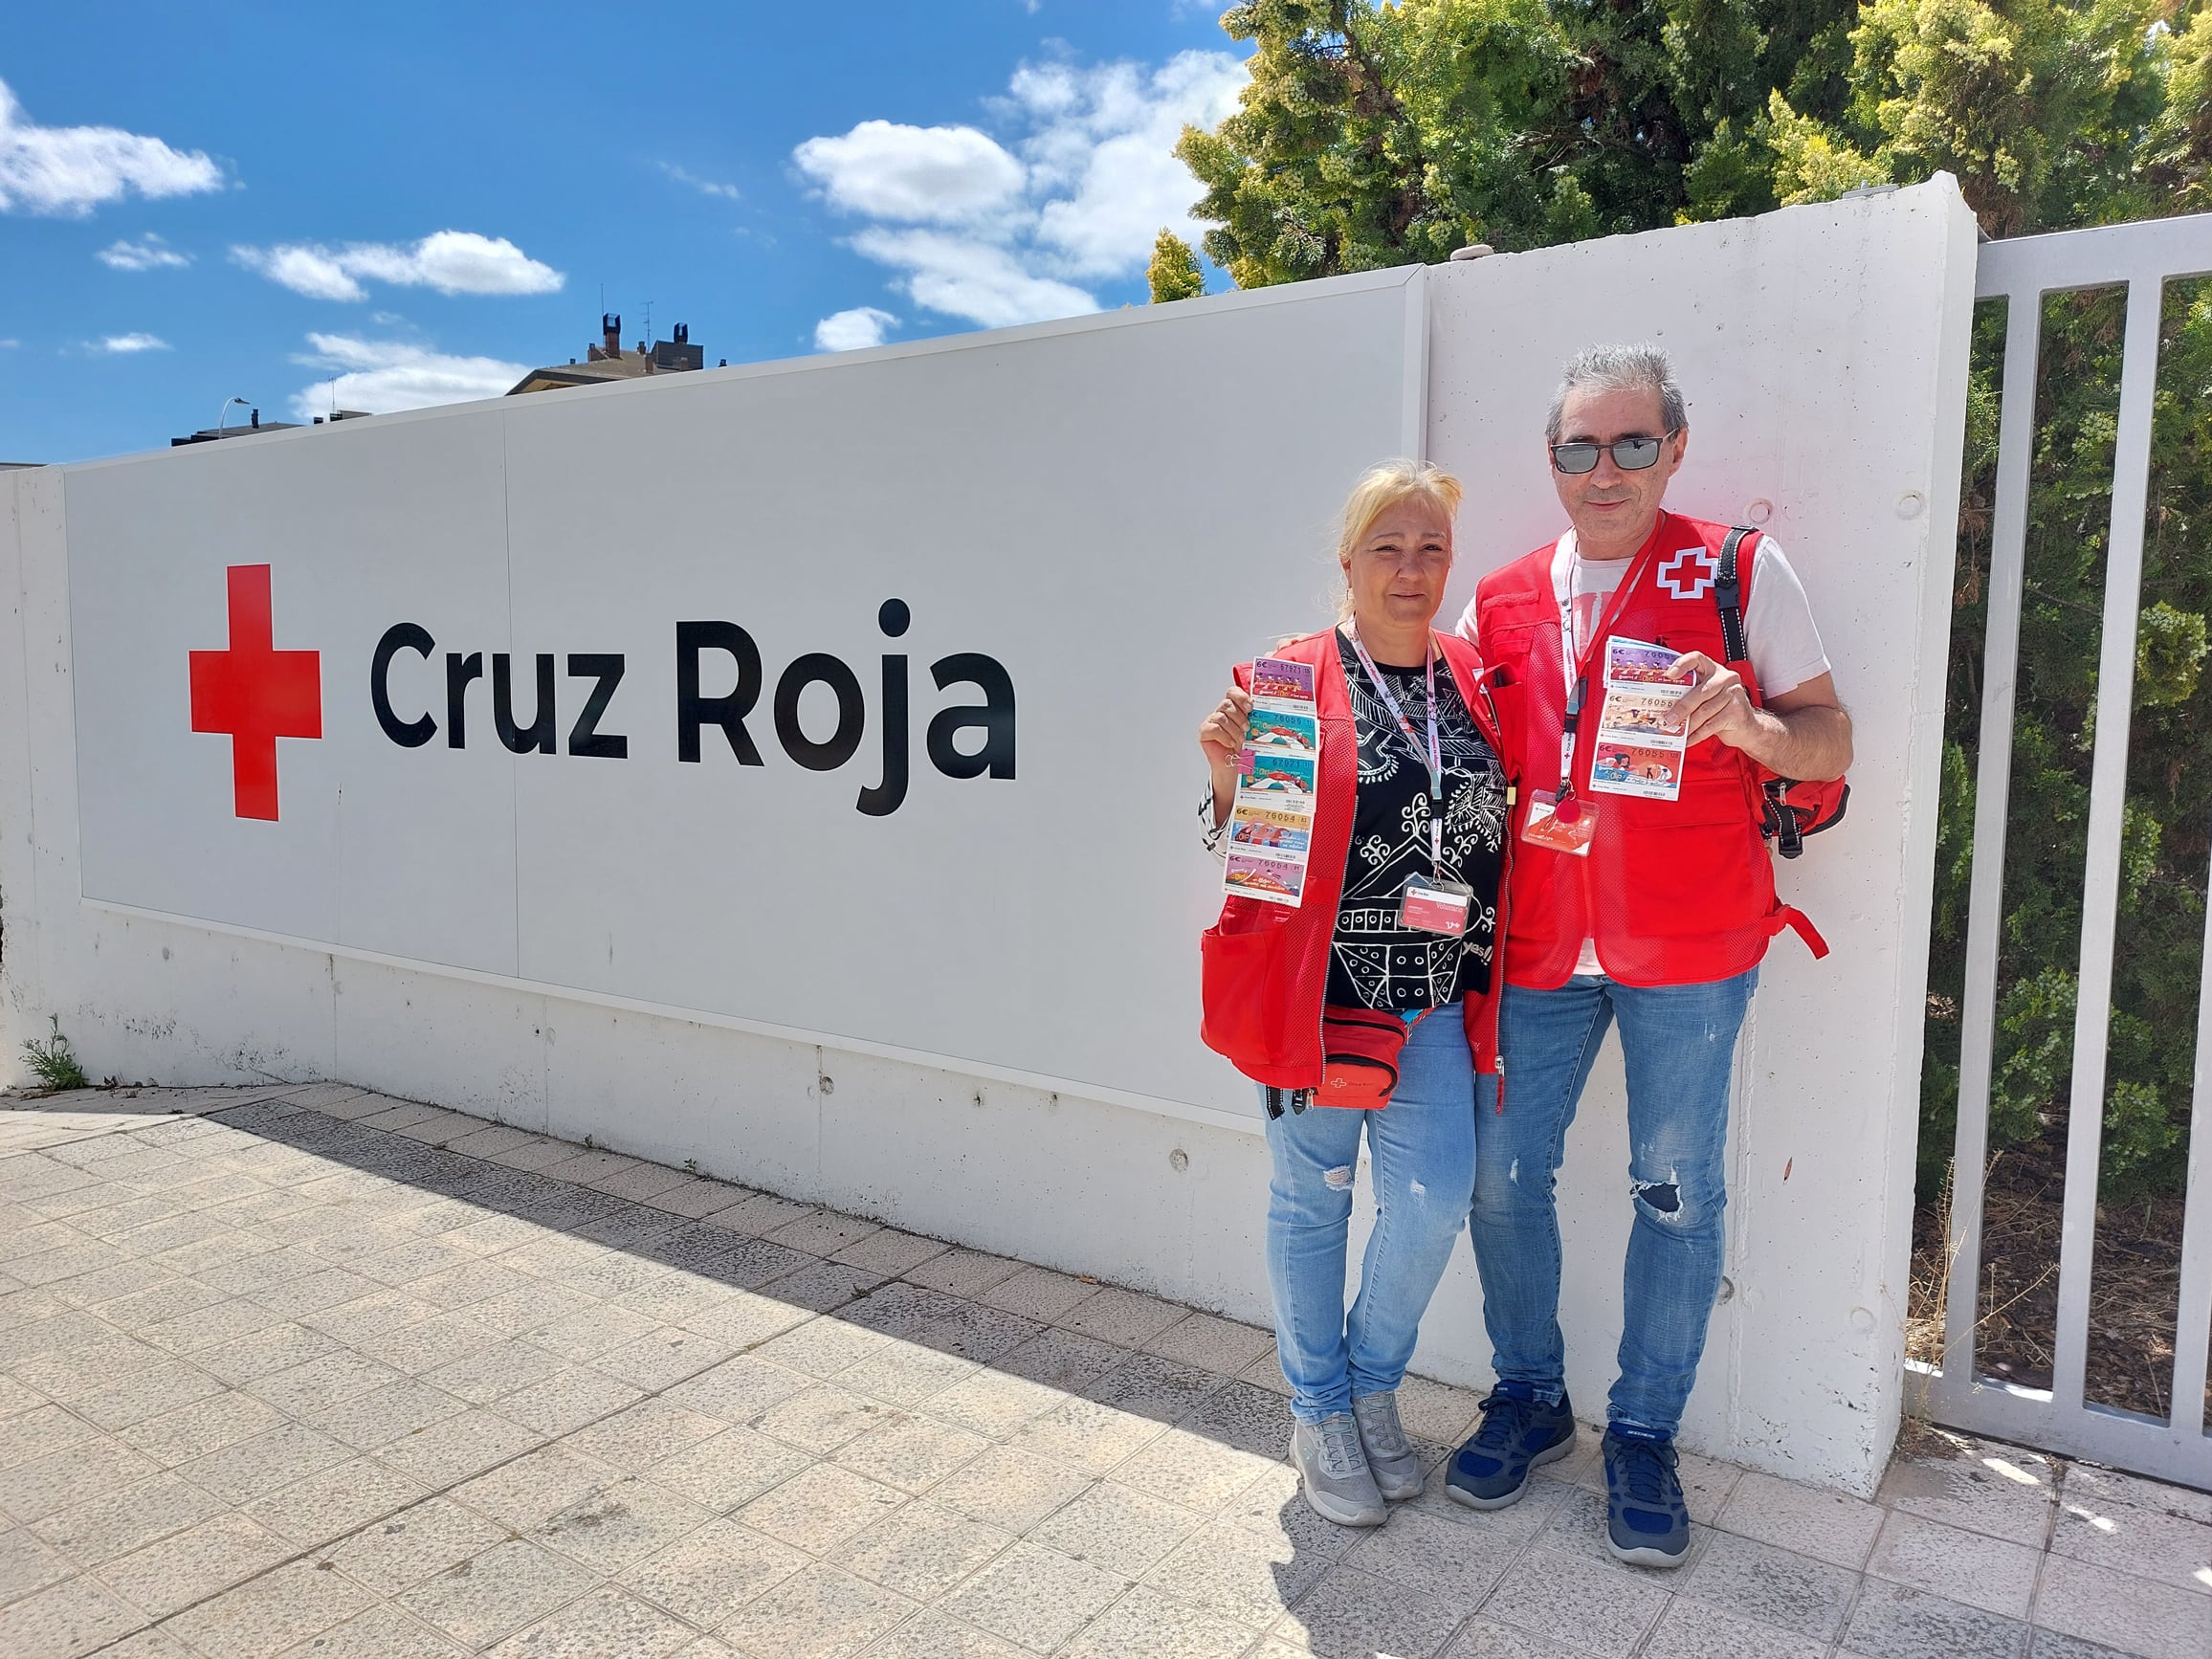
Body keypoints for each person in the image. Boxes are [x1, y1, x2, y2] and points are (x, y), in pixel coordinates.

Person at [1449, 344, 1851, 1567]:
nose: (1604, 468)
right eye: (1579, 445)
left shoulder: (1733, 567)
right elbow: (1446, 752)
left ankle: (1640, 1433)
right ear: (1553, 460)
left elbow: (1827, 745)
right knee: (1500, 1182)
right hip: (1533, 949)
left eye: (1631, 443)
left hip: (1690, 945)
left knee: (1673, 1195)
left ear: (1672, 448)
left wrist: (1753, 723)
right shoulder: (1505, 594)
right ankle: (1528, 1397)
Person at [1196, 460, 1515, 1527]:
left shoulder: (1466, 675)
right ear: (1348, 563)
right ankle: (1318, 1408)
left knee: (1428, 1204)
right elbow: (1256, 853)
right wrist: (1227, 780)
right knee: (1311, 1201)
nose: (1411, 568)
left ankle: (1371, 1385)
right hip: (1320, 996)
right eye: (1389, 547)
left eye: (1429, 548)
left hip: (1432, 997)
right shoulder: (1294, 677)